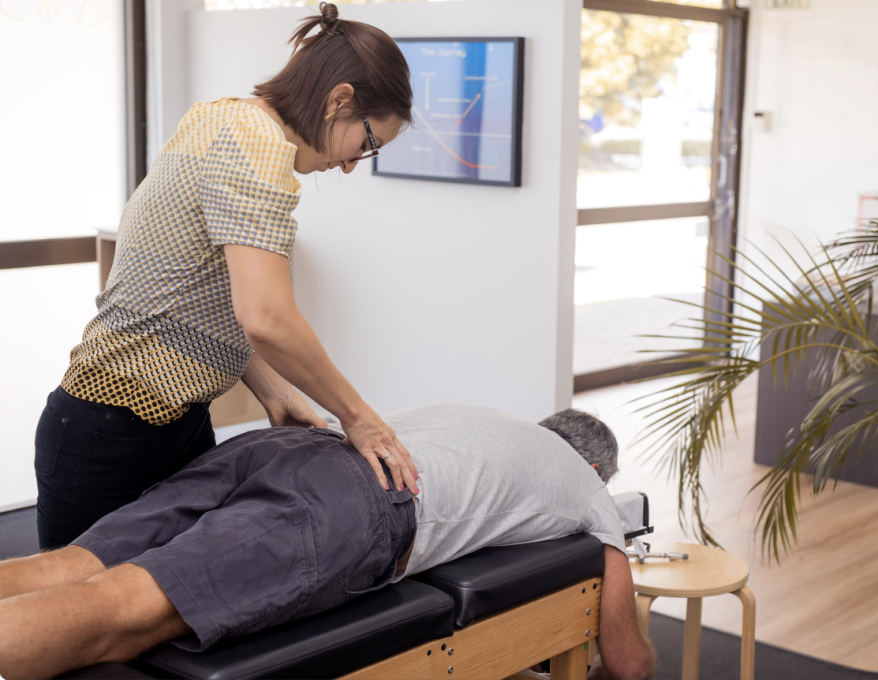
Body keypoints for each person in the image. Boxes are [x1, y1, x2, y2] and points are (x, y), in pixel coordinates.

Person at [34, 3, 420, 551]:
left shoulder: (223, 116)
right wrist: (361, 419)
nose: (355, 163)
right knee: (73, 618)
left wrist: (274, 389)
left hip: (172, 422)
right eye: (367, 142)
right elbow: (265, 318)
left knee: (163, 608)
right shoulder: (257, 144)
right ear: (340, 100)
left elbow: (195, 294)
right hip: (111, 428)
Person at [0, 406, 656, 680]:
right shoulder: (586, 487)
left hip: (283, 445)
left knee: (65, 568)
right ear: (598, 469)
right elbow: (627, 662)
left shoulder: (487, 419)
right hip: (352, 502)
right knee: (117, 613)